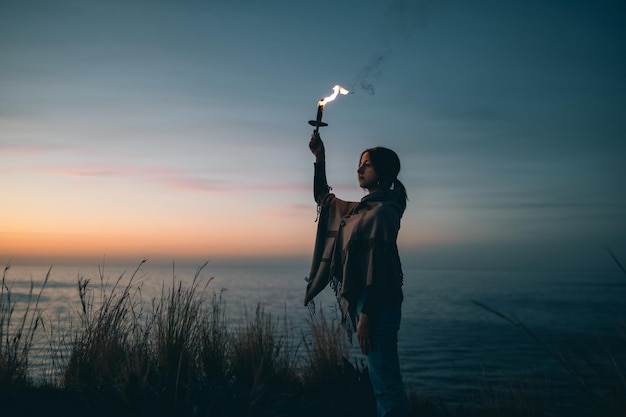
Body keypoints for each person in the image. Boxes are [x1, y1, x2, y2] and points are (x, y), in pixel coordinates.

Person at [304, 131, 408, 417]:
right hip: (369, 302)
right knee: (381, 380)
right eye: (360, 164)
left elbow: (381, 266)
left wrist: (366, 316)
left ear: (383, 171)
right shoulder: (360, 211)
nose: (359, 169)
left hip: (378, 305)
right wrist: (320, 158)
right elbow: (324, 200)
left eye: (367, 164)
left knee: (386, 381)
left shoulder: (385, 211)